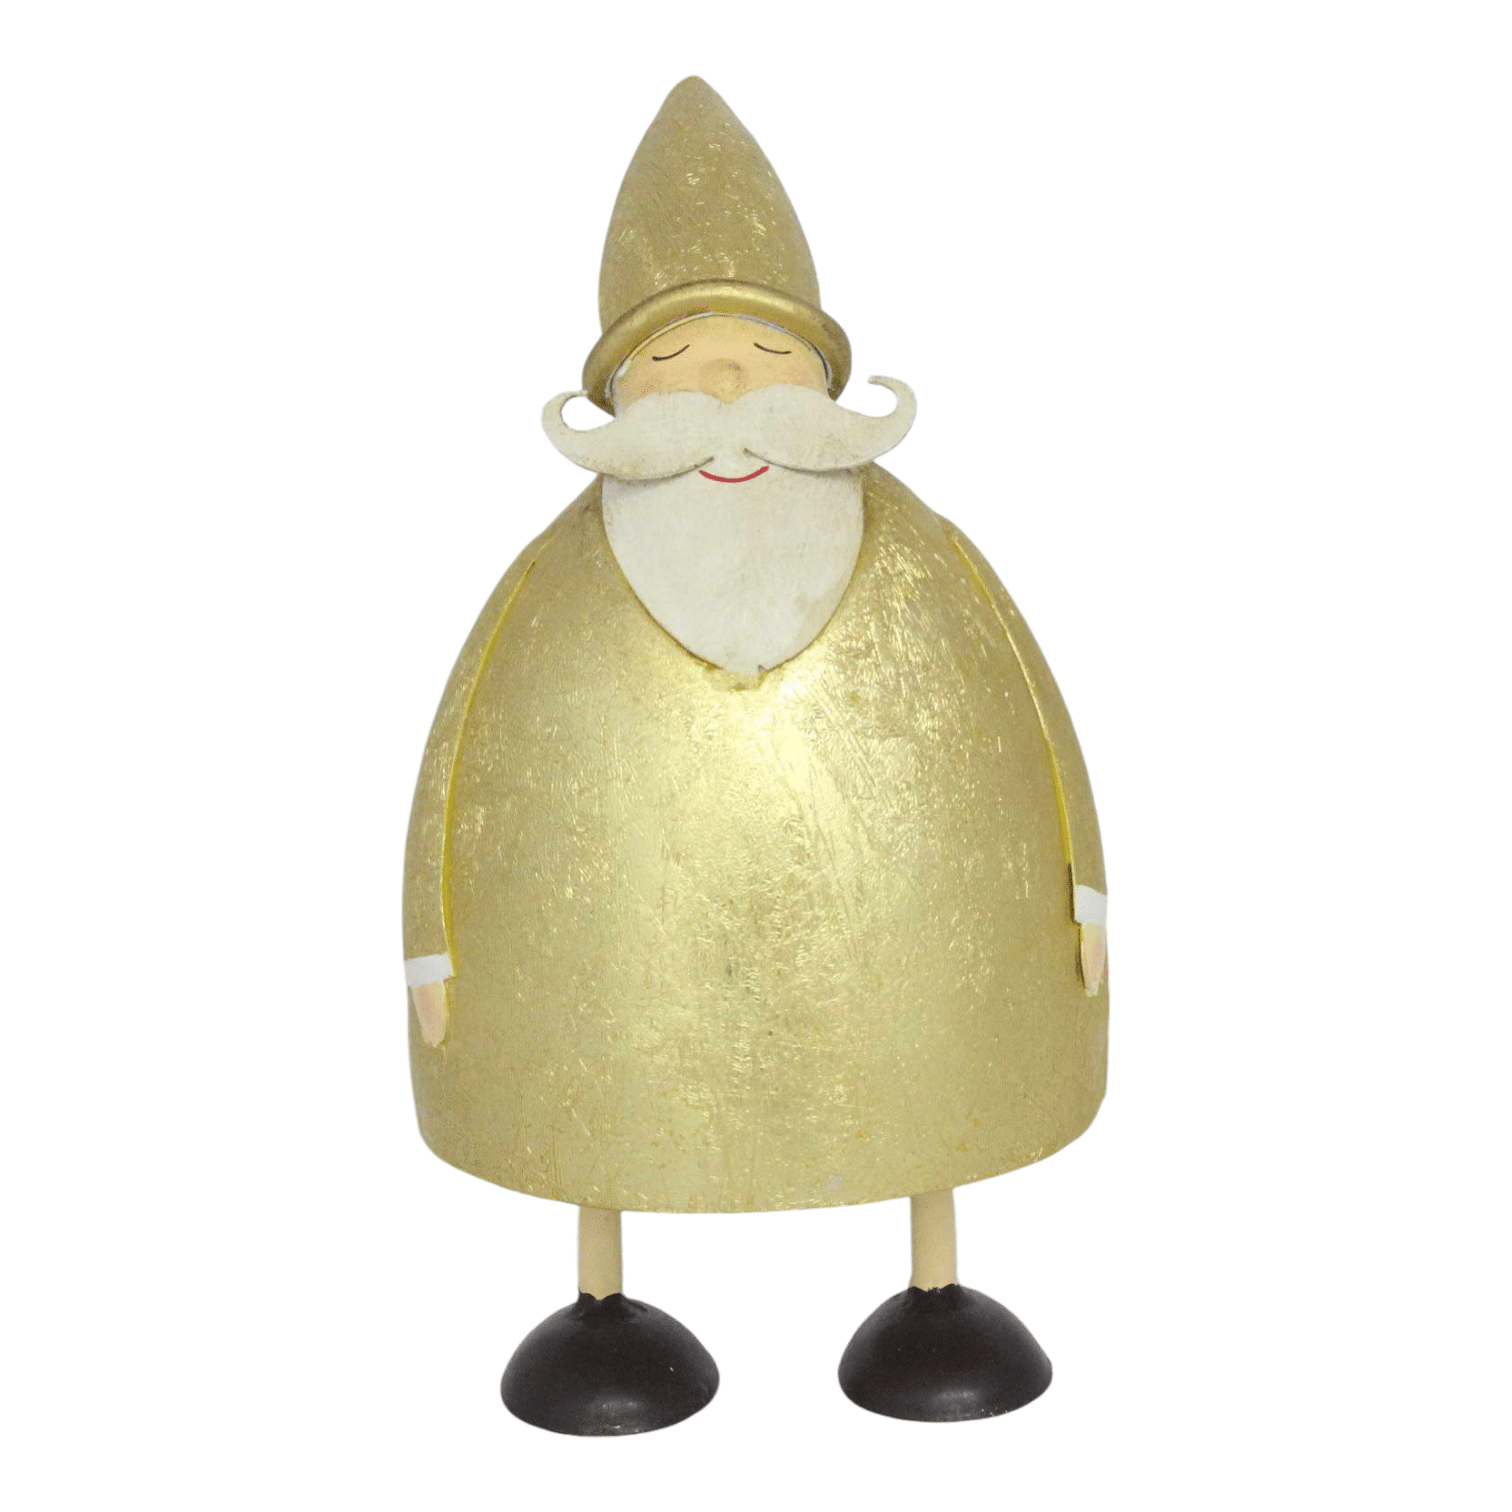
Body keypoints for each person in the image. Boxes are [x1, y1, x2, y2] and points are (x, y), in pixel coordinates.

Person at [403, 76, 1107, 1434]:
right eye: (677, 358)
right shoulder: (550, 586)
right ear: (617, 395)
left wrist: (1081, 894)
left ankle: (932, 1289)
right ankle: (605, 1300)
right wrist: (434, 947)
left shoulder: (931, 562)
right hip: (613, 954)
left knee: (927, 1079)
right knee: (607, 1089)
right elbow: (458, 770)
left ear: (825, 385)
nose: (725, 384)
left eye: (766, 354)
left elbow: (1032, 719)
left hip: (911, 948)